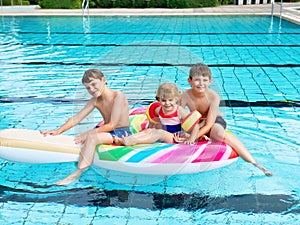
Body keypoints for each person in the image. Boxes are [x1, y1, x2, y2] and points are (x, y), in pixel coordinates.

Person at [41, 69, 131, 185]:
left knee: (91, 138)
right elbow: (77, 118)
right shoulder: (95, 100)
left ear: (103, 80)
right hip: (108, 133)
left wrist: (88, 134)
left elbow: (112, 124)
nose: (92, 90)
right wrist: (58, 131)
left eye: (94, 84)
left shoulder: (118, 96)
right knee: (85, 138)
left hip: (121, 133)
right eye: (88, 88)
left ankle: (77, 173)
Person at [180, 63, 272, 176]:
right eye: (197, 80)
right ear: (189, 81)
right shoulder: (185, 95)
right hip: (196, 123)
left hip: (214, 121)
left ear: (210, 81)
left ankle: (255, 163)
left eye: (204, 80)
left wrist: (194, 137)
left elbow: (209, 124)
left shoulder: (213, 96)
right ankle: (202, 136)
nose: (201, 84)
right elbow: (178, 114)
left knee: (218, 134)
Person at [114, 82, 200, 146]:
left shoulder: (179, 111)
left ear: (176, 99)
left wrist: (191, 139)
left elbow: (196, 126)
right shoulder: (159, 110)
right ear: (158, 100)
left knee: (159, 133)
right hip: (165, 134)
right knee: (150, 130)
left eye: (170, 100)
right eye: (163, 100)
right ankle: (125, 139)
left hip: (175, 137)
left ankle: (131, 141)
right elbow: (153, 121)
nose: (167, 103)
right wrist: (147, 130)